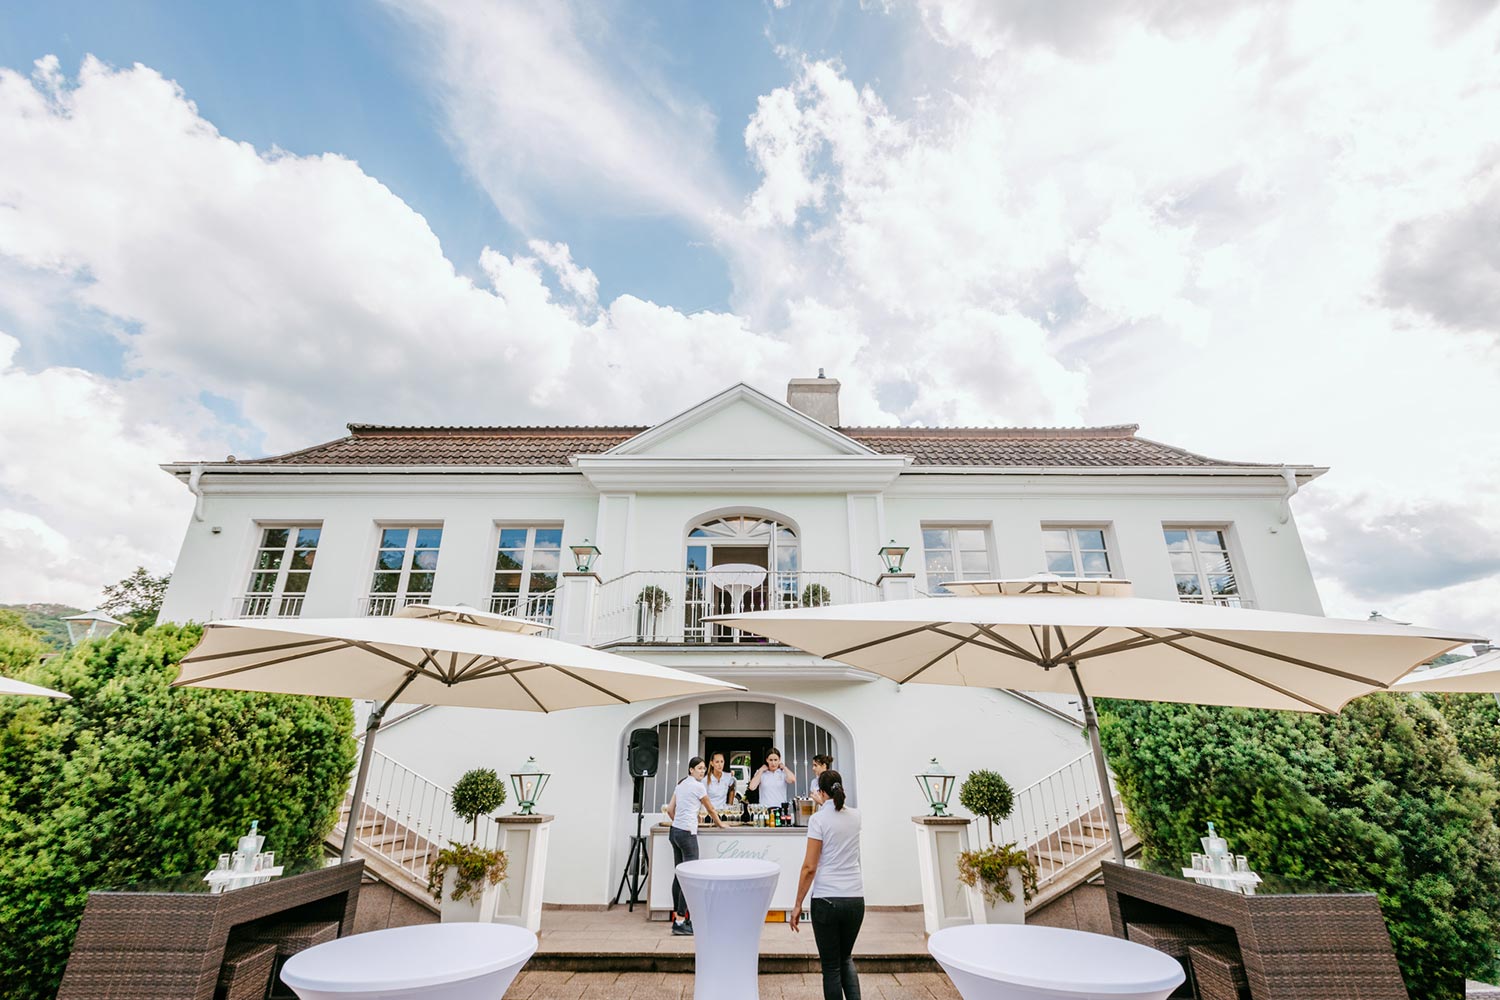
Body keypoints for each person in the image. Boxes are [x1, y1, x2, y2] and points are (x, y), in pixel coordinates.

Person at [791, 769, 863, 999]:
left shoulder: (818, 819)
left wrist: (797, 903)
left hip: (827, 898)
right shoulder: (856, 816)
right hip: (855, 897)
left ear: (821, 792)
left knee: (831, 966)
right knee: (846, 958)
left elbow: (809, 867)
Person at [662, 756, 725, 936]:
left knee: (679, 875)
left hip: (674, 832)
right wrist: (720, 824)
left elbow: (670, 809)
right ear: (690, 770)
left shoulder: (681, 785)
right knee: (689, 877)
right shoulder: (698, 786)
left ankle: (678, 917)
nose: (702, 771)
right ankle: (681, 921)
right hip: (687, 835)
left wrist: (679, 823)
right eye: (699, 768)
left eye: (704, 768)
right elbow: (711, 808)